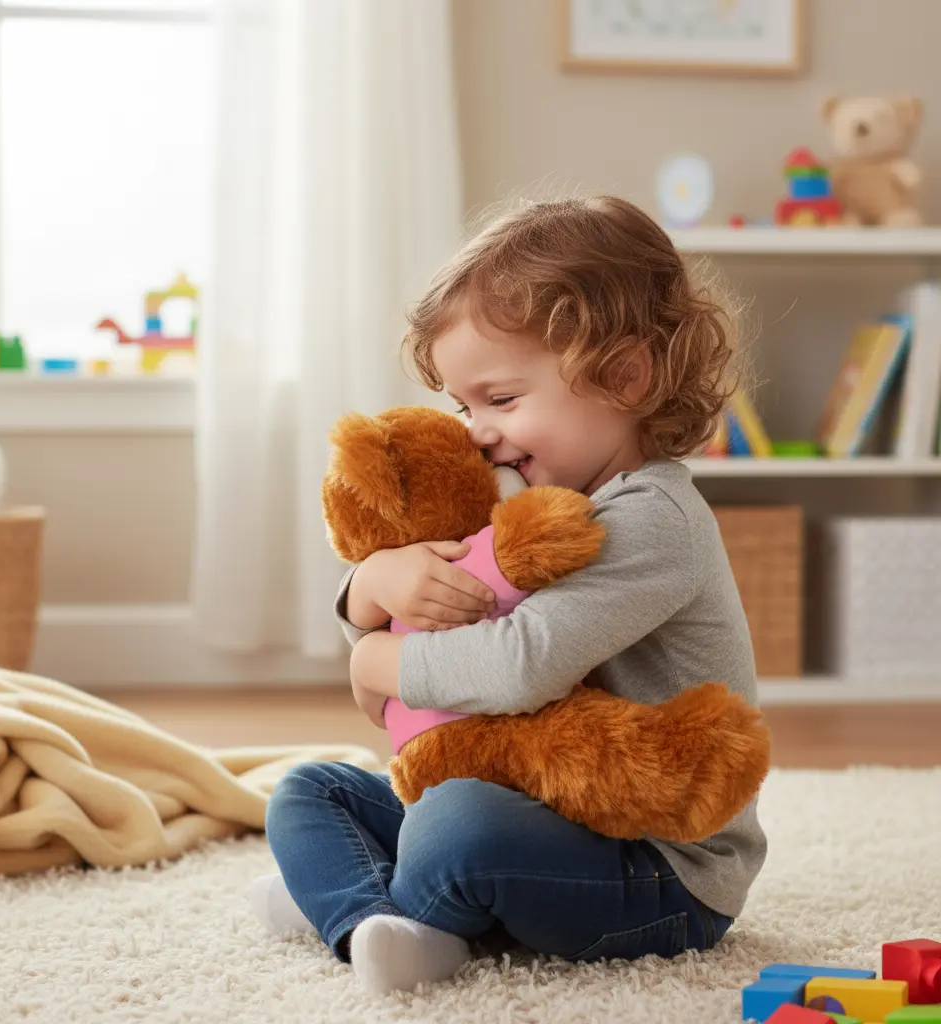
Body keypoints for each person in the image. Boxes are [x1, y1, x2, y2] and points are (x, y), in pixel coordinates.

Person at [248, 195, 767, 994]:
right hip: (542, 808)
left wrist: (377, 663)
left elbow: (517, 666)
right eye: (462, 405)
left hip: (656, 867)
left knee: (458, 824)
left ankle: (365, 903)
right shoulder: (529, 495)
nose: (475, 431)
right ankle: (368, 922)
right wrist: (371, 587)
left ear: (624, 377)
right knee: (311, 789)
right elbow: (443, 626)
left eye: (501, 399)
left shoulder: (653, 519)